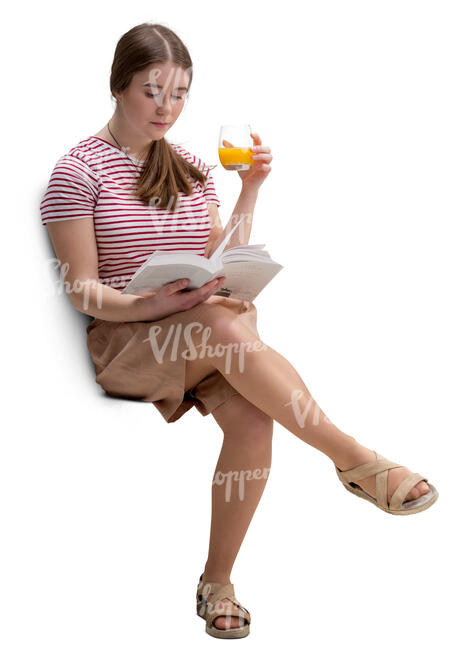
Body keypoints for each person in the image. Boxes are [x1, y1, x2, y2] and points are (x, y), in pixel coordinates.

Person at [40, 22, 438, 640]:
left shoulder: (193, 165)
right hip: (127, 339)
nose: (167, 108)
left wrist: (251, 190)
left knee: (252, 414)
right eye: (153, 92)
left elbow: (223, 256)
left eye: (180, 94)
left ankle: (216, 584)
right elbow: (83, 289)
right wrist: (150, 303)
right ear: (118, 87)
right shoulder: (79, 171)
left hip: (203, 333)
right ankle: (354, 458)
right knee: (221, 324)